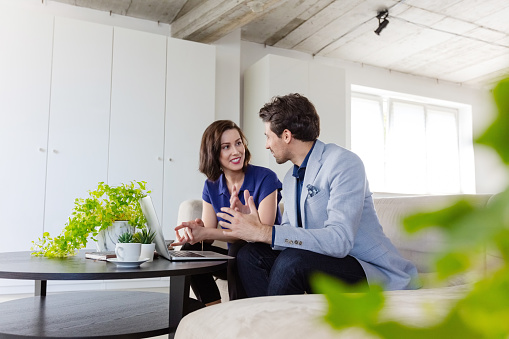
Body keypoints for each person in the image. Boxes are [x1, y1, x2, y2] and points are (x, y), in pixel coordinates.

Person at [217, 93, 419, 297]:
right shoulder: (289, 178)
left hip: (367, 269)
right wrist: (258, 225)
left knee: (293, 262)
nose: (267, 145)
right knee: (248, 254)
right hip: (322, 260)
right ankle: (261, 320)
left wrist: (263, 232)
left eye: (268, 137)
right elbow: (288, 233)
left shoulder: (344, 162)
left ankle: (275, 325)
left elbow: (340, 241)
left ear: (286, 136)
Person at [172, 120, 282, 305]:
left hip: (263, 256)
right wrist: (199, 231)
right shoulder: (211, 185)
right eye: (226, 147)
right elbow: (208, 237)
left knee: (240, 250)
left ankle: (235, 312)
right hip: (233, 258)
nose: (236, 151)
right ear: (213, 153)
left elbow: (263, 230)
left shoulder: (265, 177)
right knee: (190, 251)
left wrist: (207, 232)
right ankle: (212, 308)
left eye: (238, 143)